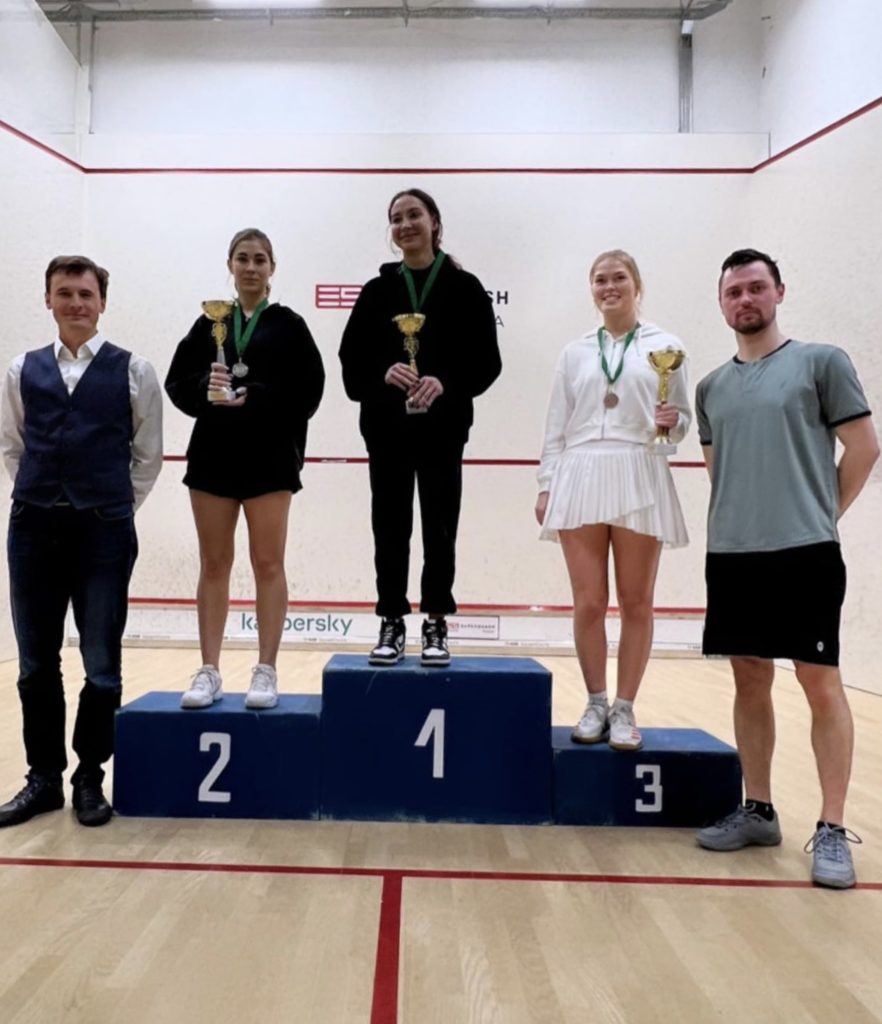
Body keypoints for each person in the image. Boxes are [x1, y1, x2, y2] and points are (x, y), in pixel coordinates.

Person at [695, 248, 878, 889]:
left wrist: (821, 514)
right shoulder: (709, 388)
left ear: (779, 292)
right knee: (750, 680)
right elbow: (720, 471)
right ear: (722, 304)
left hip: (805, 554)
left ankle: (832, 828)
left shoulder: (822, 363)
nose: (745, 300)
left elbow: (864, 447)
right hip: (733, 554)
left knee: (819, 681)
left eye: (756, 288)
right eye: (734, 292)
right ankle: (759, 810)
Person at [0, 255, 163, 828]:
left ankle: (89, 777)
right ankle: (43, 779)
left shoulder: (135, 371)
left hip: (104, 532)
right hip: (33, 529)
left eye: (85, 294)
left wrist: (110, 507)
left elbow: (147, 457)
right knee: (35, 664)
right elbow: (13, 446)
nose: (75, 303)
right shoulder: (20, 369)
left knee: (101, 665)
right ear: (48, 300)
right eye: (65, 293)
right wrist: (46, 495)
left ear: (102, 303)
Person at [536, 250, 690, 752]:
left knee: (636, 601)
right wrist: (546, 483)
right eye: (600, 279)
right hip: (580, 471)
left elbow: (681, 421)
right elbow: (556, 424)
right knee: (588, 602)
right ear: (592, 289)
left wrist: (674, 423)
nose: (609, 287)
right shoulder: (575, 352)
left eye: (619, 277)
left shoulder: (666, 346)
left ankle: (625, 707)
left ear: (636, 285)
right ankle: (596, 701)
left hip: (638, 468)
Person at [339, 189, 501, 666]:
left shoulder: (466, 288)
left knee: (440, 528)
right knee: (389, 527)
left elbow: (487, 362)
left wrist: (445, 382)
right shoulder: (376, 292)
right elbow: (351, 363)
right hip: (387, 431)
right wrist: (382, 373)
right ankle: (391, 620)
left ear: (434, 222)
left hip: (443, 432)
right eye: (397, 218)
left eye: (414, 215)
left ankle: (435, 621)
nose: (405, 224)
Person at [166, 228, 324, 710]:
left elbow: (309, 392)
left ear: (272, 268)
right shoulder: (209, 324)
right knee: (214, 564)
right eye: (242, 258)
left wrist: (256, 396)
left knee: (268, 563)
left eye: (259, 259)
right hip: (213, 458)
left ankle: (266, 670)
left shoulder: (290, 326)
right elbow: (177, 383)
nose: (250, 267)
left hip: (269, 460)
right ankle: (209, 670)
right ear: (230, 266)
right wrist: (206, 386)